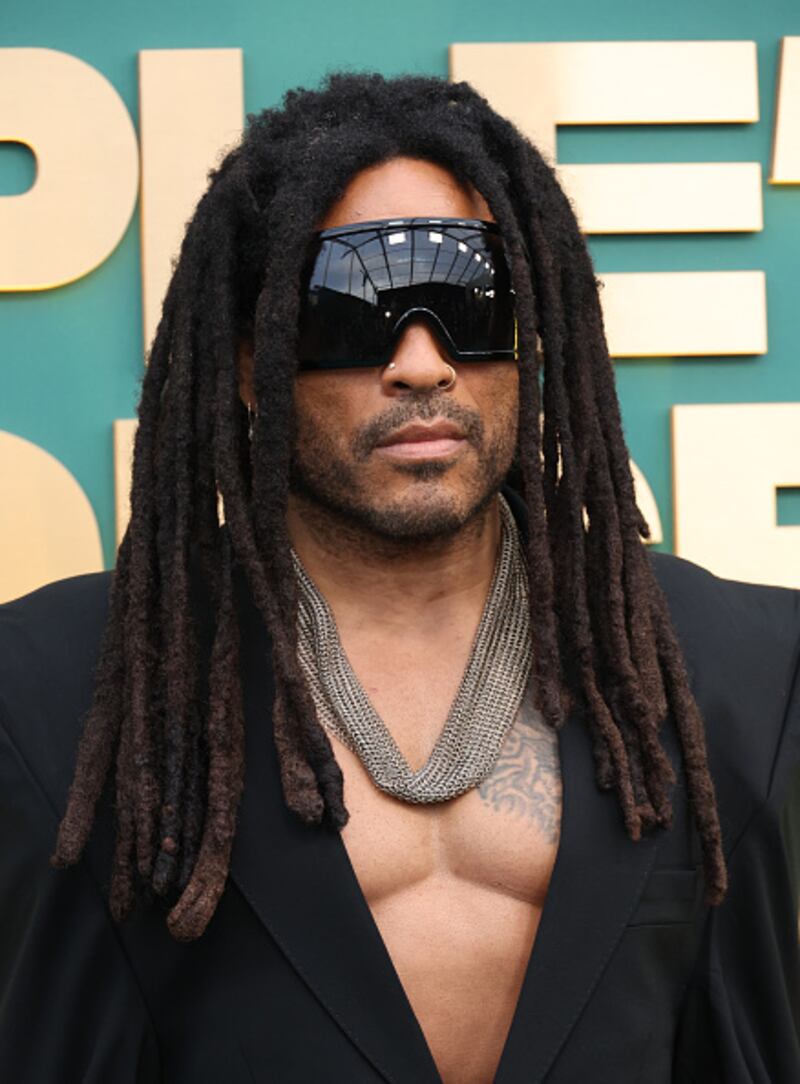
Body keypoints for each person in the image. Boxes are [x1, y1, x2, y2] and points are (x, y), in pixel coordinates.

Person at [0, 72, 798, 1084]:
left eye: (471, 302)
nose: (421, 363)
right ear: (249, 362)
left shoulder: (740, 675)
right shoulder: (56, 697)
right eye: (350, 308)